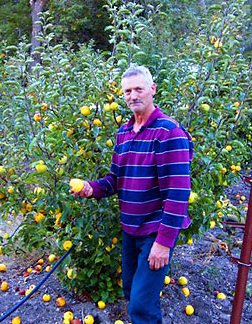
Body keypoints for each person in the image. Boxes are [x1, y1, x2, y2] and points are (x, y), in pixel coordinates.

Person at [70, 65, 193, 323]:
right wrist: (92, 188)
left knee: (141, 307)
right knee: (131, 293)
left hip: (154, 232)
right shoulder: (124, 133)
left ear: (152, 90)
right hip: (130, 230)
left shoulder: (168, 132)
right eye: (127, 91)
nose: (133, 95)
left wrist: (163, 242)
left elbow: (178, 192)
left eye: (139, 89)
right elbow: (116, 179)